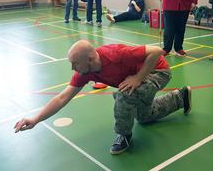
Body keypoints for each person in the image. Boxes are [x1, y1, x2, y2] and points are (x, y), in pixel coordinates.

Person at [14, 40, 192, 155]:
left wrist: (138, 78)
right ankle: (180, 98)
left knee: (124, 95)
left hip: (156, 70)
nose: (72, 68)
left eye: (75, 64)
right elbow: (62, 98)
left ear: (90, 59)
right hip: (142, 76)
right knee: (144, 117)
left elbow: (156, 51)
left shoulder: (117, 54)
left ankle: (123, 135)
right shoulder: (84, 72)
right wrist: (35, 119)